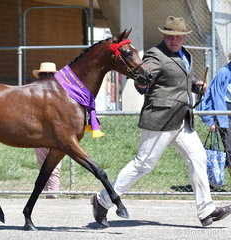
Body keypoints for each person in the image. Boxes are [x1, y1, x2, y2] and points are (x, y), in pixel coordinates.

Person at [90, 16, 231, 228]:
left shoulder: (184, 54)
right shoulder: (155, 54)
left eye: (177, 36)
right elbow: (145, 77)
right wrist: (142, 85)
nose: (173, 39)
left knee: (199, 158)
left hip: (182, 119)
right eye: (169, 35)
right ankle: (102, 200)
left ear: (183, 37)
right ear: (164, 35)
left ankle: (206, 210)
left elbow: (180, 78)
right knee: (143, 164)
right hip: (161, 118)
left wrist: (195, 85)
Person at [199, 51, 231, 178]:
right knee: (230, 150)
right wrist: (212, 119)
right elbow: (212, 96)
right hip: (226, 114)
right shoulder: (224, 73)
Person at [32, 62, 61, 199]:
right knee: (53, 166)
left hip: (40, 133)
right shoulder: (59, 91)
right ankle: (51, 195)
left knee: (44, 165)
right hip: (55, 134)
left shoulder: (34, 90)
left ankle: (49, 195)